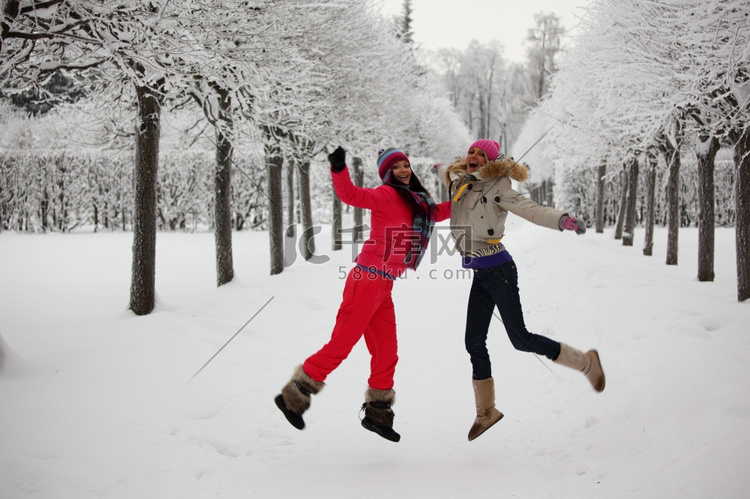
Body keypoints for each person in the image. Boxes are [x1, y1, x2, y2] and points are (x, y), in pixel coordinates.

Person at [275, 146, 451, 442]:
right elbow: (352, 195)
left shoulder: (418, 202)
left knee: (387, 352)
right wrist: (339, 168)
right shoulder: (385, 195)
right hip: (366, 280)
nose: (404, 170)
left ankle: (378, 414)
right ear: (387, 174)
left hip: (384, 286)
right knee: (341, 344)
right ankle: (294, 395)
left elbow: (439, 212)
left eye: (405, 165)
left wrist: (469, 196)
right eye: (397, 167)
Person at [435, 139, 605, 442]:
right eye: (471, 152)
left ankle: (586, 362)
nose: (474, 157)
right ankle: (486, 411)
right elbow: (448, 175)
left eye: (481, 155)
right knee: (473, 342)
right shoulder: (463, 182)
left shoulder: (498, 187)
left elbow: (530, 209)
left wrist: (562, 220)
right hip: (480, 274)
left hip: (499, 271)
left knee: (520, 339)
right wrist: (439, 168)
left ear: (490, 161)